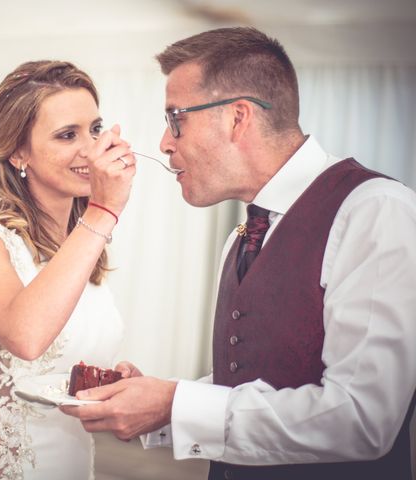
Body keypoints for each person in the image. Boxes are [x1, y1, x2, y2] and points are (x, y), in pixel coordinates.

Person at [61, 27, 416, 480]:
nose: (164, 143)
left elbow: (363, 419)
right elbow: (257, 379)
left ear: (237, 117)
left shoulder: (374, 210)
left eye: (175, 119)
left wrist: (176, 403)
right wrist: (161, 401)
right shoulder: (245, 234)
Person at [0, 60, 135, 479]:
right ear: (18, 151)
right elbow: (27, 337)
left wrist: (117, 381)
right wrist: (105, 210)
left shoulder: (81, 244)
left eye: (95, 128)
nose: (91, 148)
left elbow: (66, 362)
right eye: (67, 135)